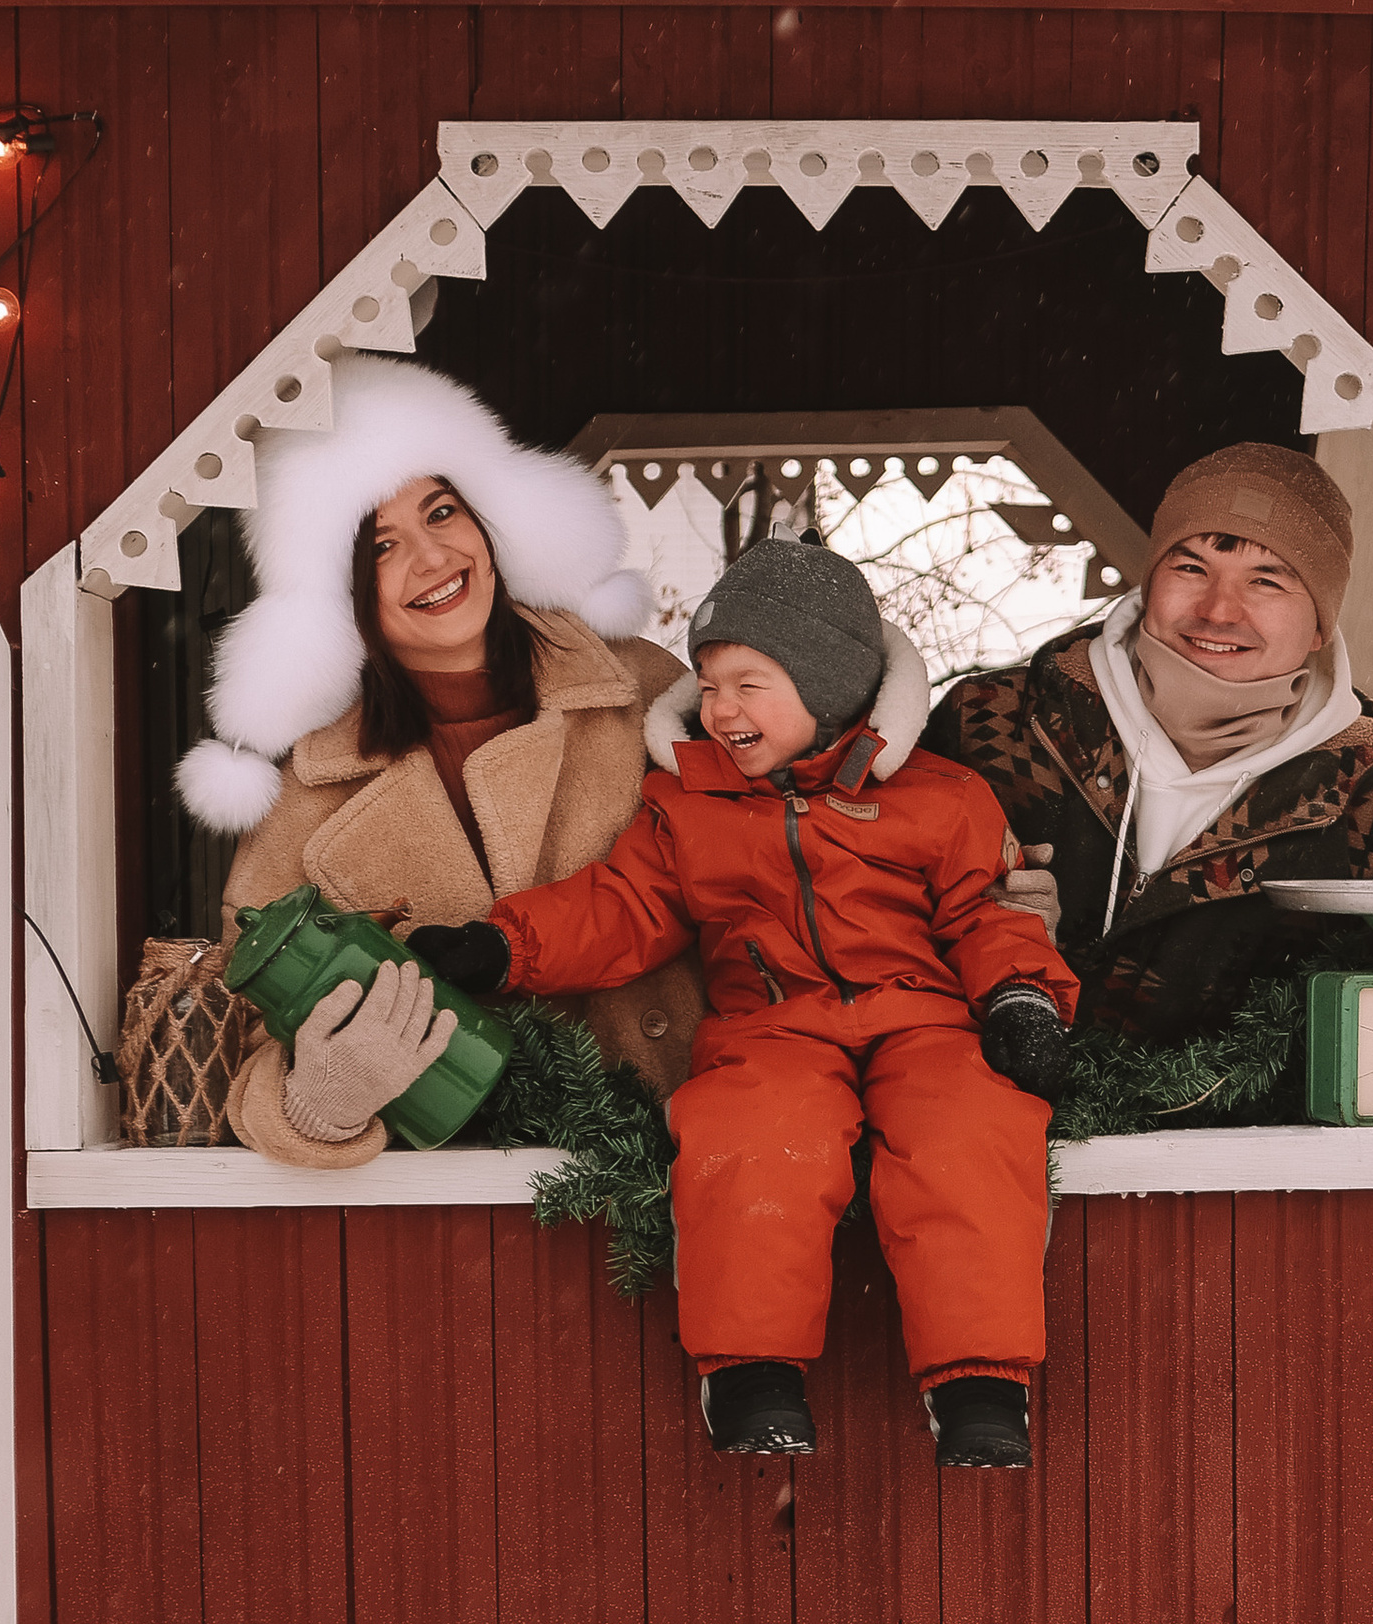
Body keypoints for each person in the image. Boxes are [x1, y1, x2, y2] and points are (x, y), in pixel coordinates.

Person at [409, 539, 1075, 1472]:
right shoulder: (688, 807)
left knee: (969, 1130)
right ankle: (756, 1377)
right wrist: (502, 945)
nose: (719, 708)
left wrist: (1020, 1002)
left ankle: (979, 1386)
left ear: (829, 686)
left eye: (748, 684)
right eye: (710, 683)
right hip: (775, 1025)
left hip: (924, 1019)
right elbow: (622, 907)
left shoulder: (944, 799)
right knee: (754, 1136)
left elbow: (985, 913)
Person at [176, 357, 705, 1167]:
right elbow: (246, 1024)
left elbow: (770, 855)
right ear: (339, 592)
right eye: (382, 545)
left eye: (443, 511)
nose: (431, 558)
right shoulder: (308, 797)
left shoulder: (641, 690)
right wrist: (322, 1095)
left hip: (688, 1160)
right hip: (460, 1221)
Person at [921, 440, 1373, 1048]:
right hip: (979, 1126)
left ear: (1320, 624)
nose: (1219, 610)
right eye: (1190, 568)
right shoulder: (989, 725)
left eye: (1267, 581)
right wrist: (993, 937)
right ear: (1151, 582)